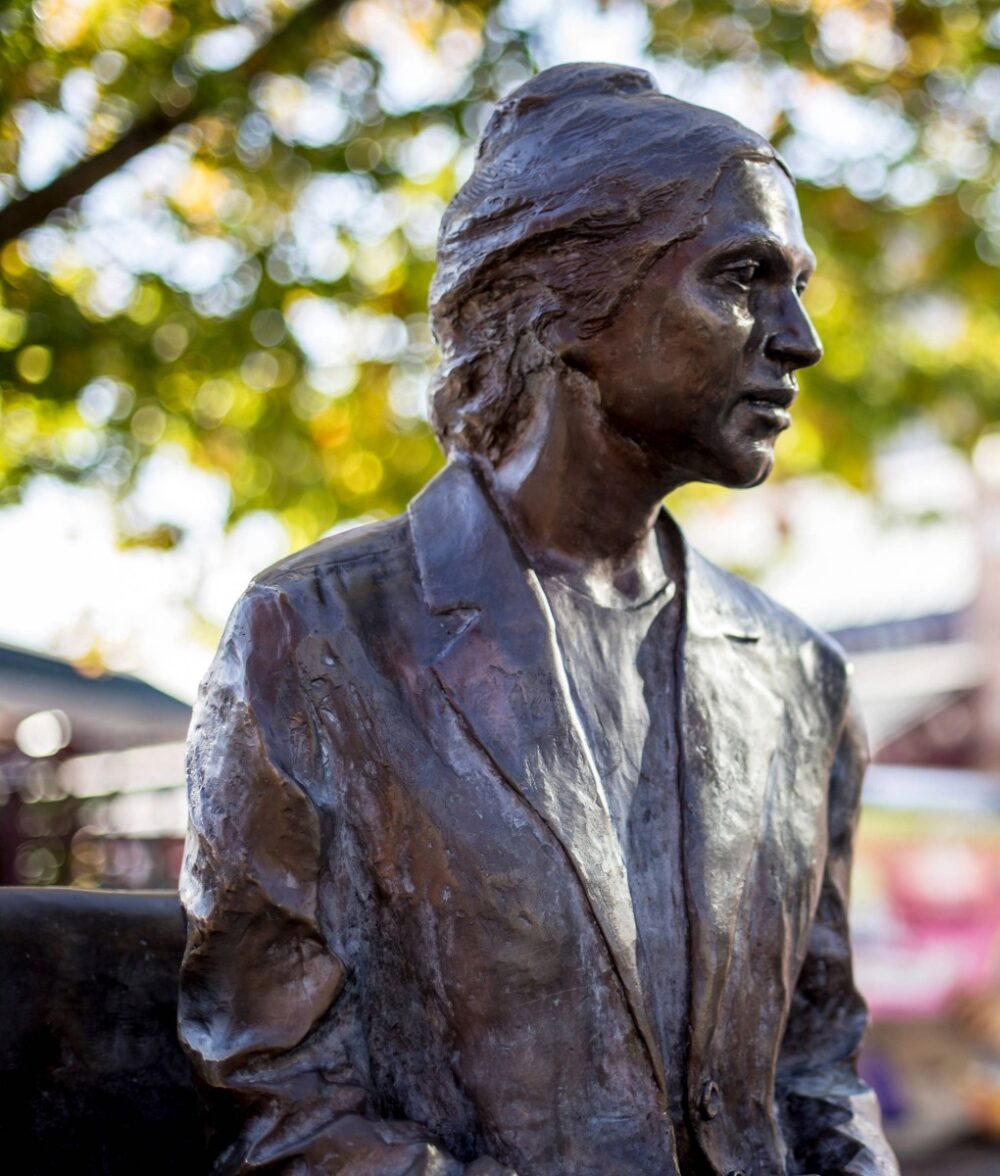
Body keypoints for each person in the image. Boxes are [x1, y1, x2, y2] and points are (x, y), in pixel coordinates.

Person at [177, 62, 898, 1176]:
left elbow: (818, 1071)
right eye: (742, 277)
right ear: (566, 297)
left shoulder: (800, 680)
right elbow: (282, 1109)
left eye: (795, 284)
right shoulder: (318, 639)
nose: (798, 337)